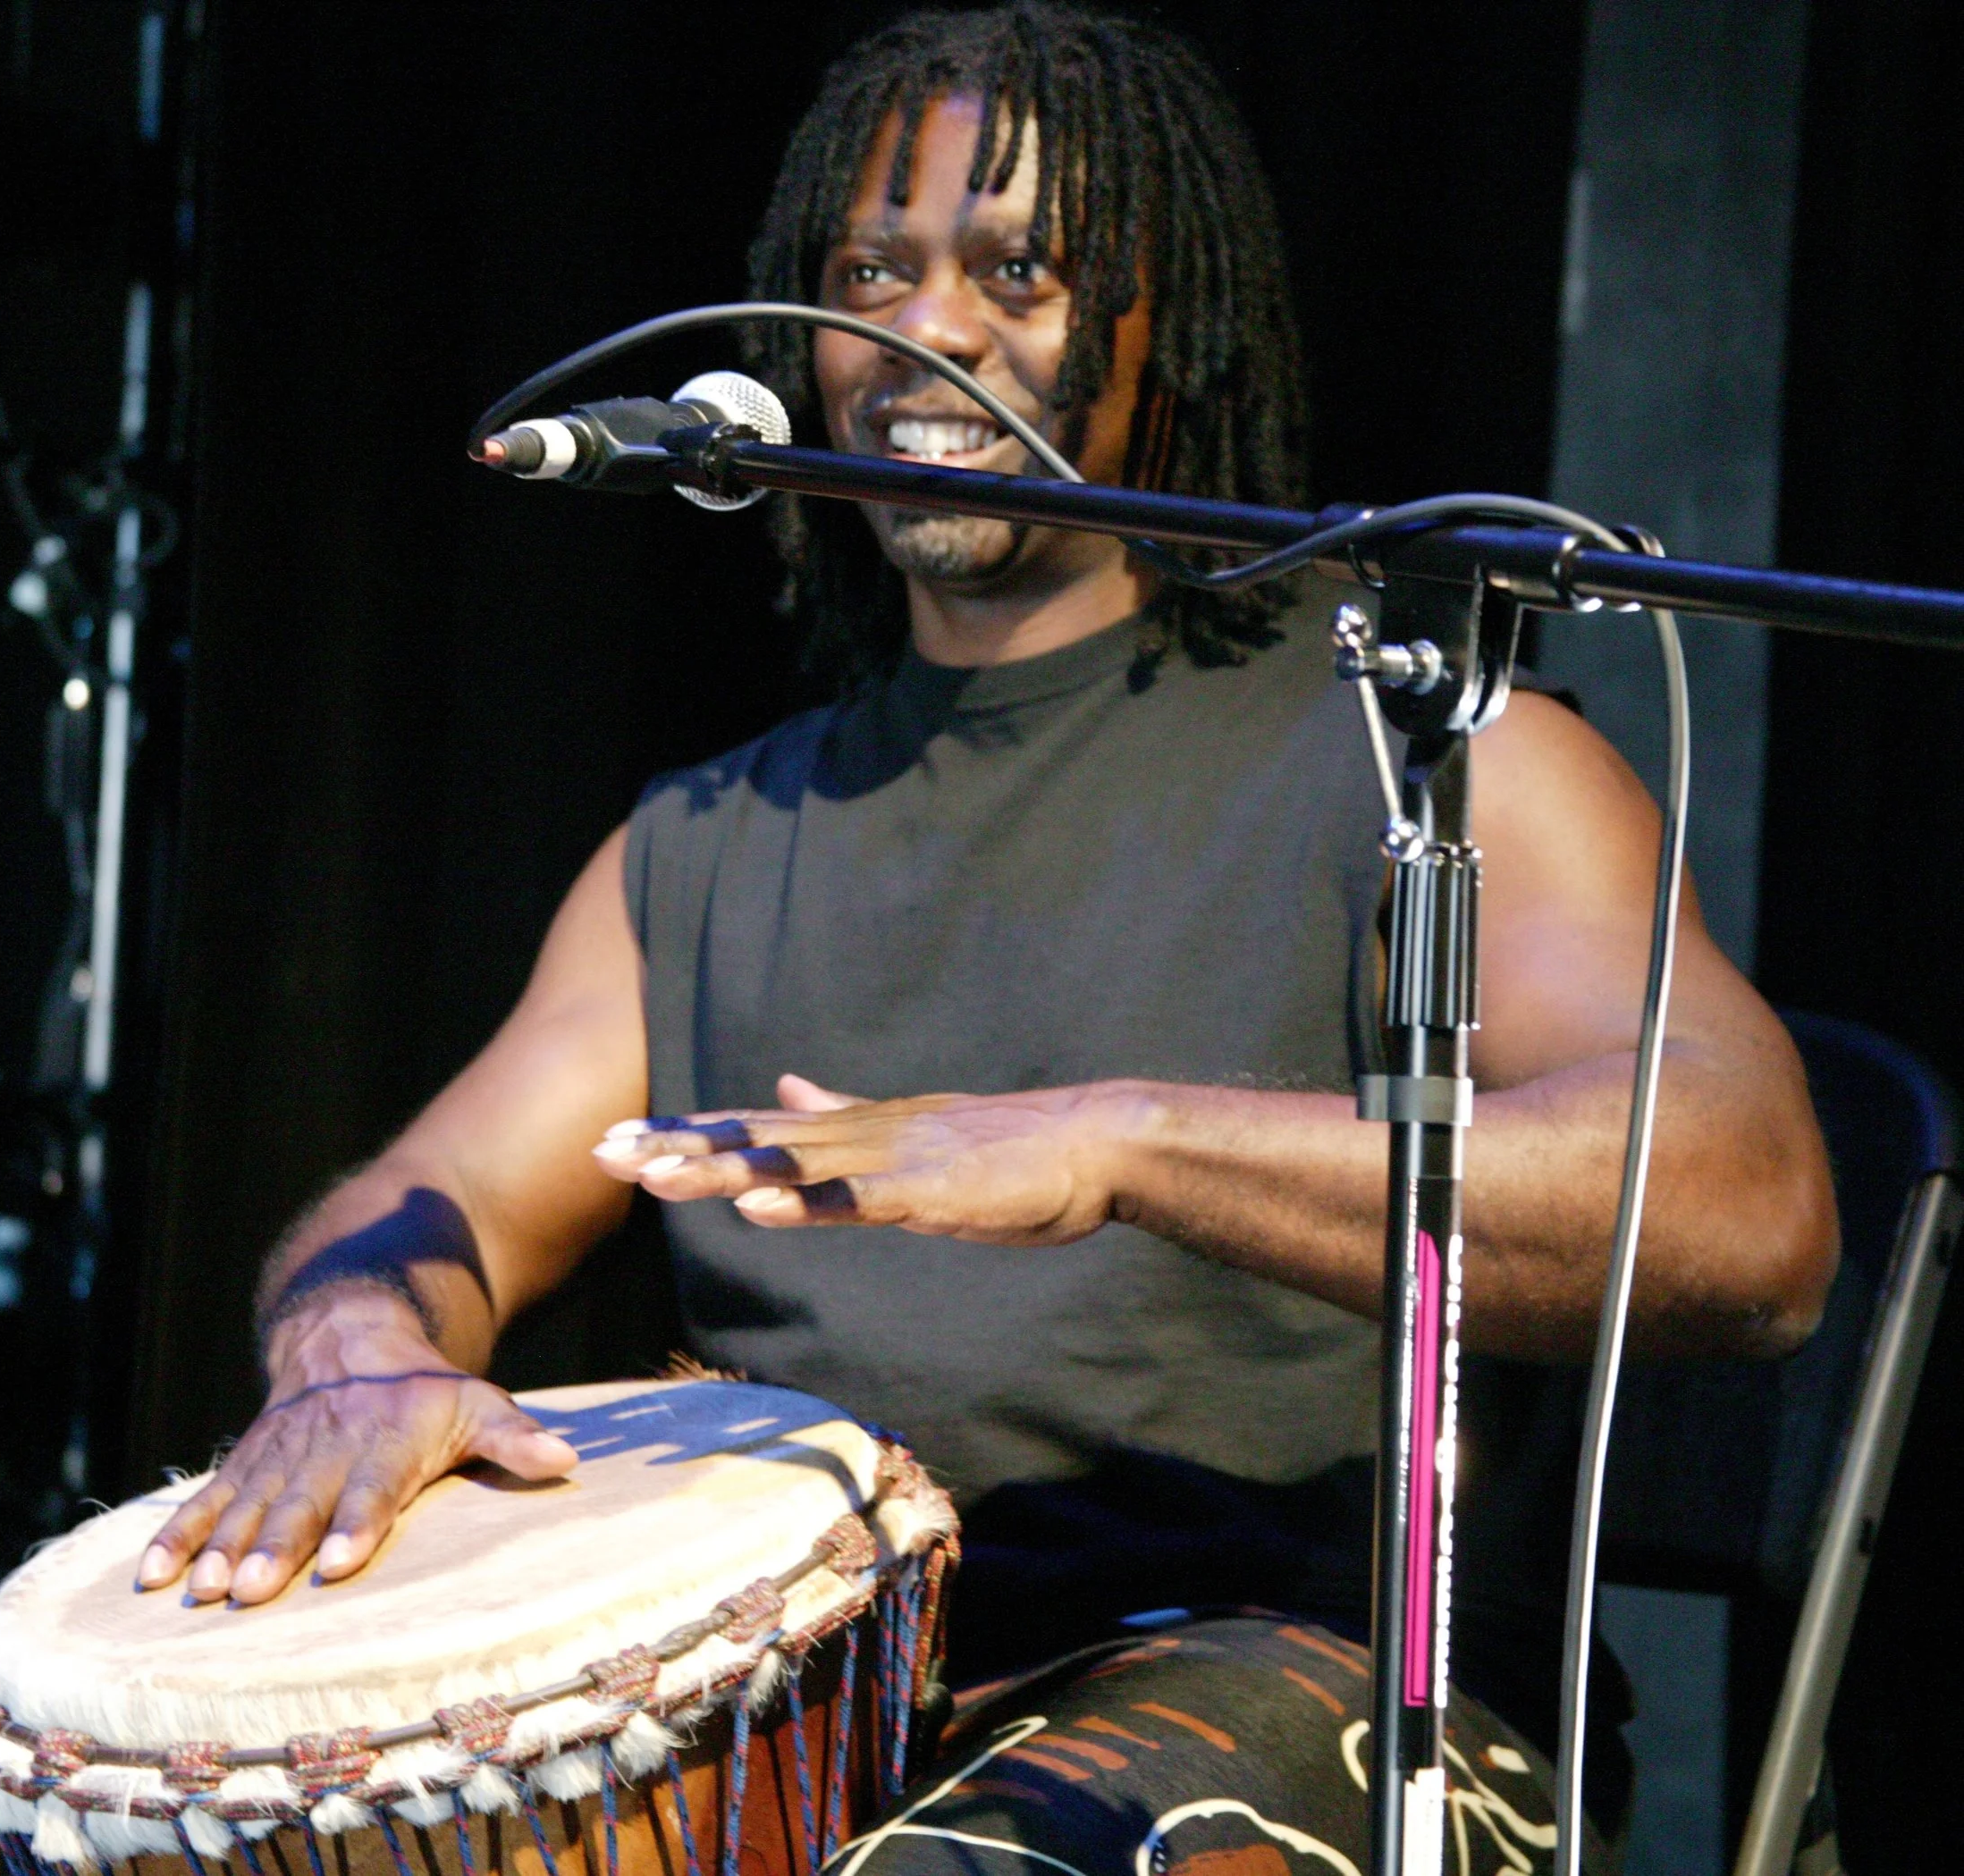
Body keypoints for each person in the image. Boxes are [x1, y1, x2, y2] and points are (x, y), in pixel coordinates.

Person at [131, 1, 1835, 1842]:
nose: (924, 330)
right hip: (808, 1699)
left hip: (1306, 1681)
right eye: (871, 272)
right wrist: (357, 1353)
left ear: (1165, 327)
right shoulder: (704, 840)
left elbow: (1747, 1215)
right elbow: (430, 1196)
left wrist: (1117, 1142)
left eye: (1016, 270)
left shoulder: (1433, 757)